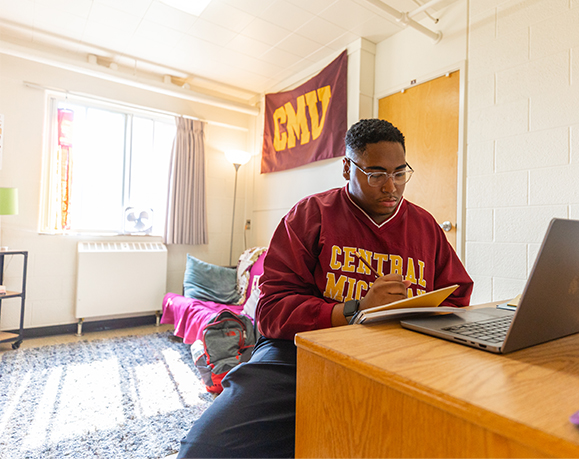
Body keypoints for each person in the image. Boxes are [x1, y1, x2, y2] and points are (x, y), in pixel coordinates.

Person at [178, 119, 473, 458]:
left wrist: (420, 314)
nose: (391, 186)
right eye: (376, 174)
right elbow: (270, 312)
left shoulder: (425, 226)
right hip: (300, 355)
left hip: (399, 357)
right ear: (347, 169)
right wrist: (355, 310)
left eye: (400, 173)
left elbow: (457, 294)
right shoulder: (310, 215)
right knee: (204, 449)